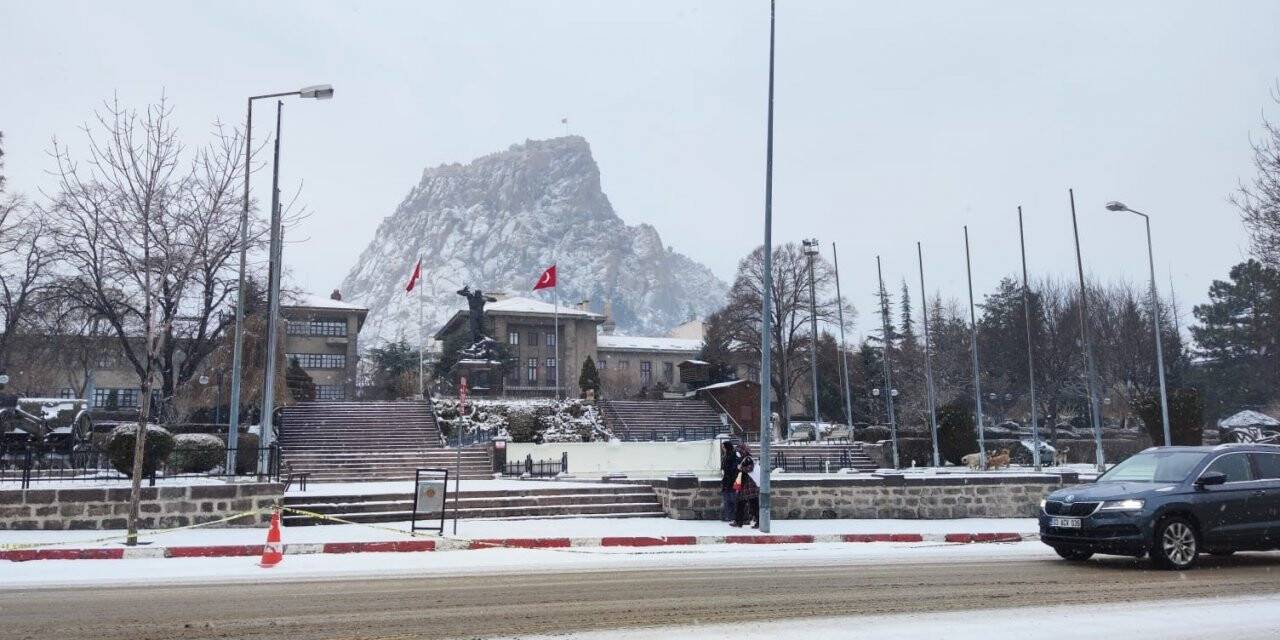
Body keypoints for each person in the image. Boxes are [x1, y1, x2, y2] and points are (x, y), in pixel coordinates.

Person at [731, 443, 759, 528]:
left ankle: (759, 522)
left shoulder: (748, 459)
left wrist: (740, 468)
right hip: (745, 486)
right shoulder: (743, 459)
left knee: (753, 505)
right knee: (741, 504)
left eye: (739, 451)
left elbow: (750, 469)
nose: (738, 453)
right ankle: (738, 521)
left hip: (749, 486)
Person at [719, 440, 739, 522]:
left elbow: (734, 468)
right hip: (726, 481)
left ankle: (733, 516)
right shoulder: (726, 455)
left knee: (732, 500)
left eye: (724, 447)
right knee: (727, 500)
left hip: (731, 481)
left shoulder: (733, 455)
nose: (723, 448)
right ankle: (728, 516)